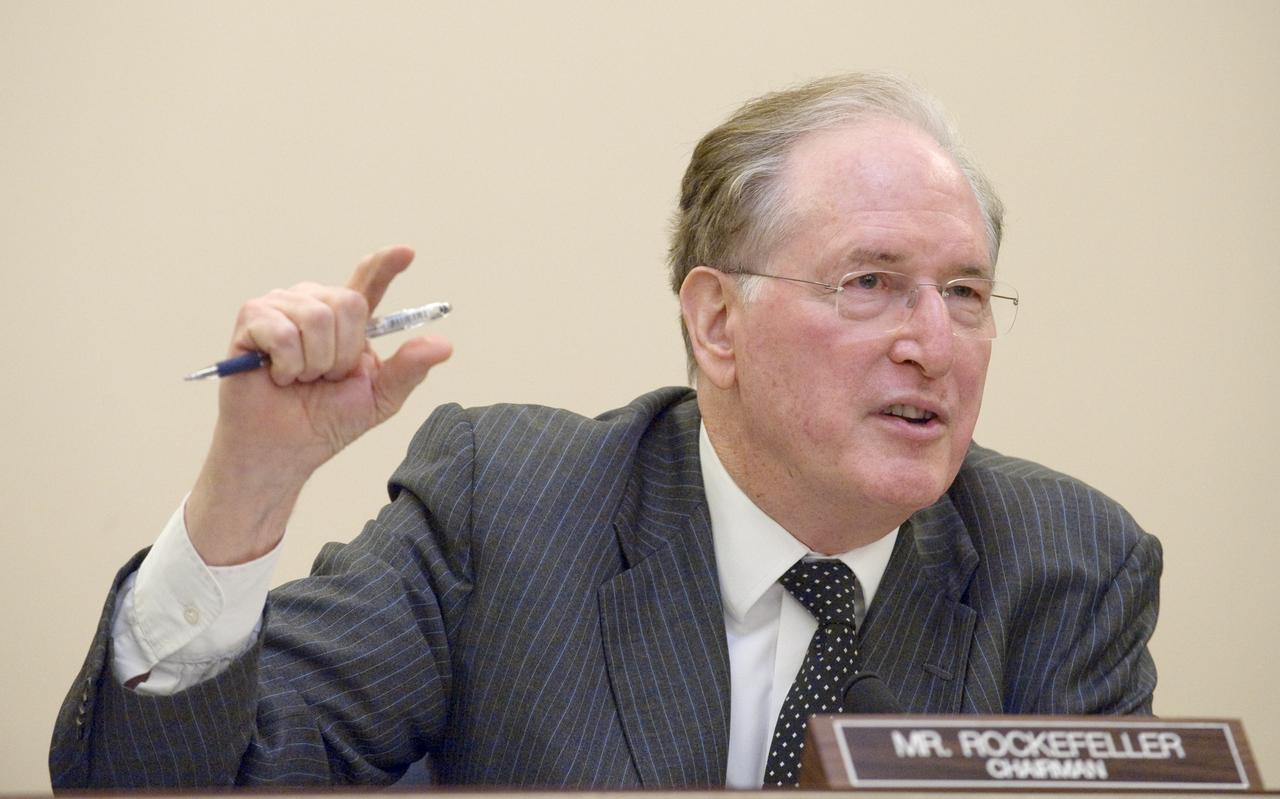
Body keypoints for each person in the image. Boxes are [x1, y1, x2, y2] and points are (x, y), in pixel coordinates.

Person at [50, 73, 1161, 790]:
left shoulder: (1064, 564)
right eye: (870, 283)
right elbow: (165, 780)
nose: (934, 341)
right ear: (715, 322)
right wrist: (247, 488)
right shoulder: (513, 505)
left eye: (965, 293)